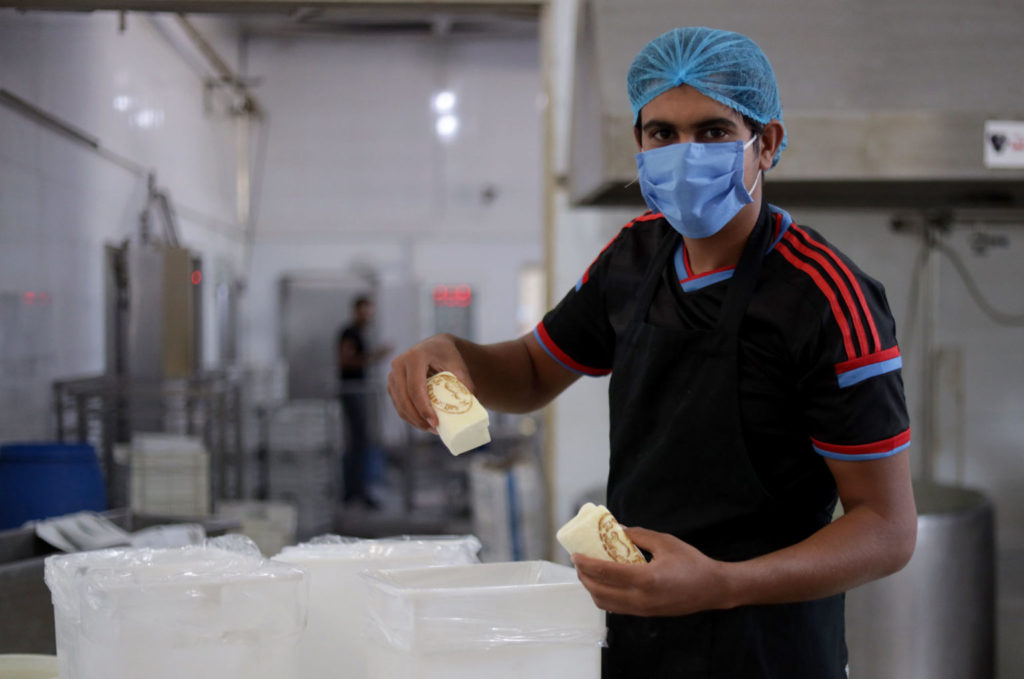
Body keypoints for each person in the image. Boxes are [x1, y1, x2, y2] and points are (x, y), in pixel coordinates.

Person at [387, 26, 916, 678]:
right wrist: (453, 351)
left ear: (767, 144)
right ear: (638, 142)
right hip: (637, 637)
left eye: (714, 131)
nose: (684, 154)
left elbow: (886, 527)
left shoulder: (828, 298)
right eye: (661, 133)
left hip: (768, 647)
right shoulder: (633, 257)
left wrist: (721, 583)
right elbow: (529, 371)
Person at [337, 295, 391, 509]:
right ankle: (354, 491)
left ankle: (358, 489)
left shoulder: (361, 333)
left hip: (359, 392)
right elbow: (346, 360)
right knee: (358, 443)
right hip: (352, 392)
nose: (368, 316)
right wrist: (374, 357)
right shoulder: (349, 333)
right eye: (365, 311)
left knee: (361, 442)